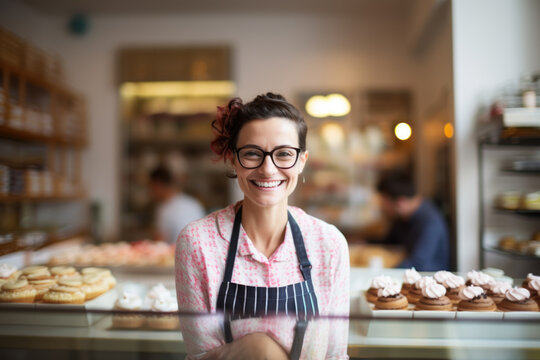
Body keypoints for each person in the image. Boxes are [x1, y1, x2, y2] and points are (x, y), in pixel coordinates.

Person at [175, 93, 350, 359]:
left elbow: (335, 356)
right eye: (252, 153)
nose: (268, 169)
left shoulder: (328, 243)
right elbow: (201, 356)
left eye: (283, 154)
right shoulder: (198, 242)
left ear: (302, 161)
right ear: (233, 160)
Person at [376, 170, 450, 271]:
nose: (382, 208)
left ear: (400, 203)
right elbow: (389, 241)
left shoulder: (430, 222)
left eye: (384, 203)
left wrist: (380, 273)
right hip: (408, 271)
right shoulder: (403, 216)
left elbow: (417, 264)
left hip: (427, 280)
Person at [148, 165, 205, 244]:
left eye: (151, 187)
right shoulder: (193, 203)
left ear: (158, 184)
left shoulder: (164, 209)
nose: (151, 192)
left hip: (176, 254)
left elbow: (159, 244)